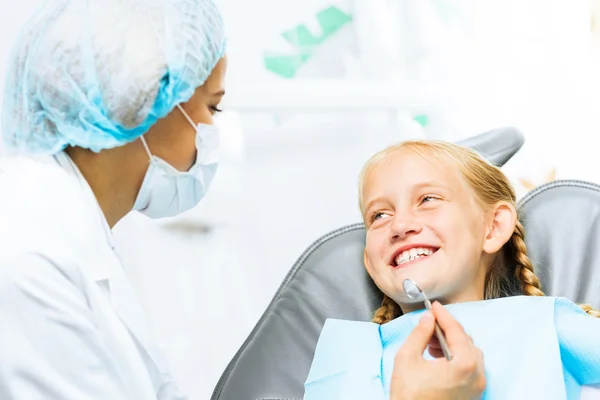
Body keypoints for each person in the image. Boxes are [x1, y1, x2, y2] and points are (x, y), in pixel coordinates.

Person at [0, 0, 226, 398]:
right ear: (146, 100)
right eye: (212, 106)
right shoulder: (30, 261)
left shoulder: (72, 228)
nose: (212, 130)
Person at [304, 140, 600, 400]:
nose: (400, 226)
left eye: (427, 199)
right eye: (379, 215)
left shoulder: (543, 321)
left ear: (493, 228)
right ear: (370, 262)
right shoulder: (345, 350)